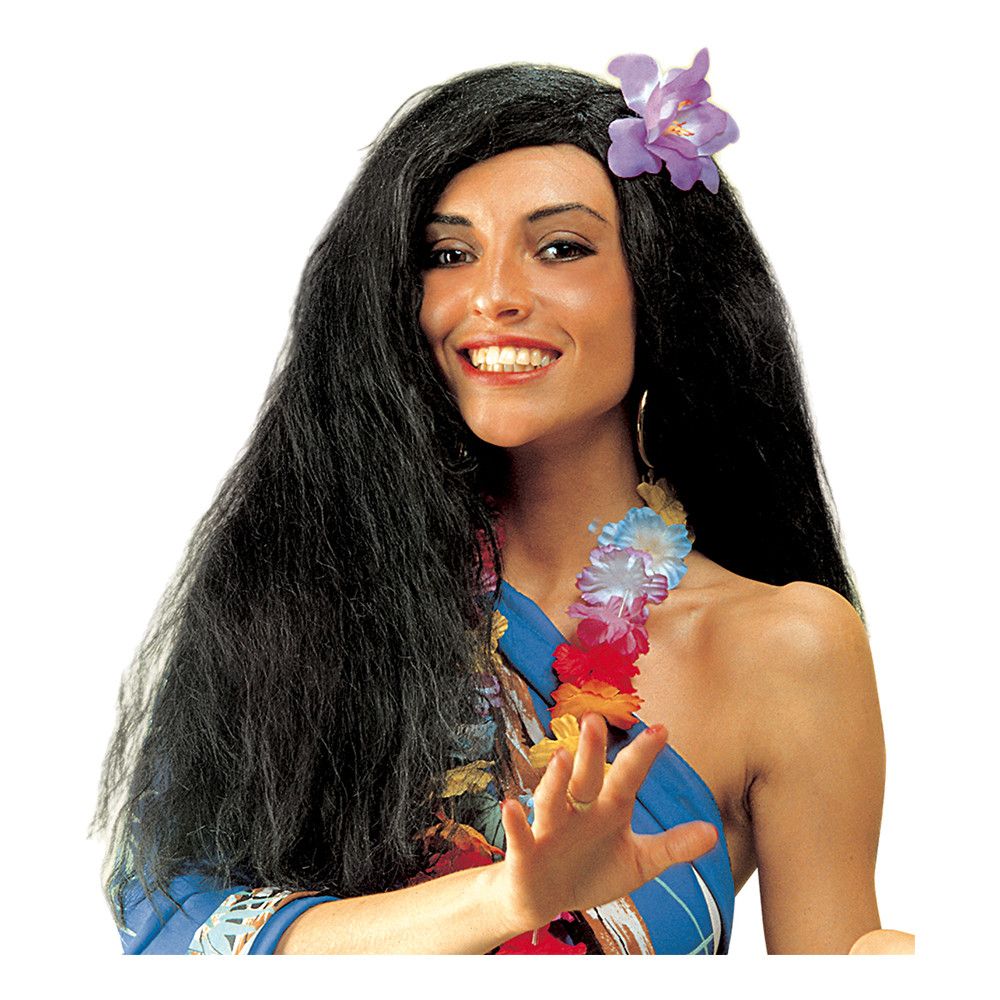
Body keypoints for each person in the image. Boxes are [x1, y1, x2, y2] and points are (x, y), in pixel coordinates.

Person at [92, 50, 904, 955]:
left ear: (664, 287)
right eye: (449, 255)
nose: (493, 296)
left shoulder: (788, 650)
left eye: (561, 248)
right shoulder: (304, 595)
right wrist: (506, 899)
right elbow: (172, 931)